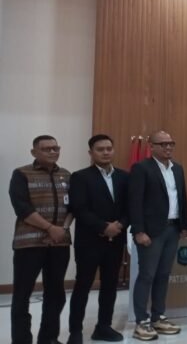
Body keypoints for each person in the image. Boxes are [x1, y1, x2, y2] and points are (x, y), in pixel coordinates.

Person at [9, 135, 73, 344]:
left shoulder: (66, 175)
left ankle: (49, 338)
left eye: (56, 148)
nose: (53, 152)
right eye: (47, 149)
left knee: (56, 294)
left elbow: (73, 207)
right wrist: (49, 228)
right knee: (22, 295)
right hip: (29, 244)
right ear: (34, 152)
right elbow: (22, 208)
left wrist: (62, 229)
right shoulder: (21, 174)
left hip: (60, 243)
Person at [129, 131, 187, 340]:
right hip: (151, 232)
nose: (168, 147)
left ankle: (158, 317)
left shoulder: (178, 168)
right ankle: (141, 321)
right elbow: (134, 202)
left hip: (173, 229)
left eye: (171, 143)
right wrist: (139, 231)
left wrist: (184, 225)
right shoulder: (141, 168)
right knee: (147, 275)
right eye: (163, 144)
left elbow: (181, 197)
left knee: (163, 275)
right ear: (151, 146)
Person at [68, 135, 129, 344]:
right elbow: (79, 209)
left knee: (110, 285)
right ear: (91, 153)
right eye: (100, 149)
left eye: (109, 148)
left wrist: (119, 225)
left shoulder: (124, 176)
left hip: (116, 240)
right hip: (89, 242)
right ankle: (75, 331)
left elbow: (130, 207)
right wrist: (104, 227)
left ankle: (103, 327)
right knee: (83, 286)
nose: (105, 152)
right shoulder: (80, 177)